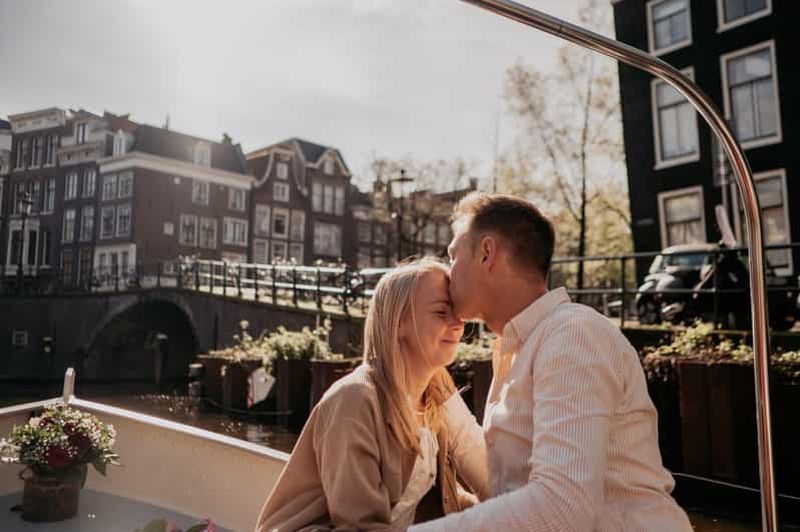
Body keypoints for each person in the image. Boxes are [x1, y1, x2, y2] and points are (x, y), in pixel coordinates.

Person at [410, 193, 691, 531]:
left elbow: (562, 508)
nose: (448, 272)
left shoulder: (572, 336)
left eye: (453, 256)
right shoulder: (522, 348)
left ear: (486, 253)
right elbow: (508, 491)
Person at [255, 258, 489, 531]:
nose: (458, 324)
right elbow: (360, 525)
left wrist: (503, 515)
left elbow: (441, 497)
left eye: (457, 313)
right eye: (440, 312)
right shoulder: (355, 400)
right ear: (398, 323)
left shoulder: (432, 402)